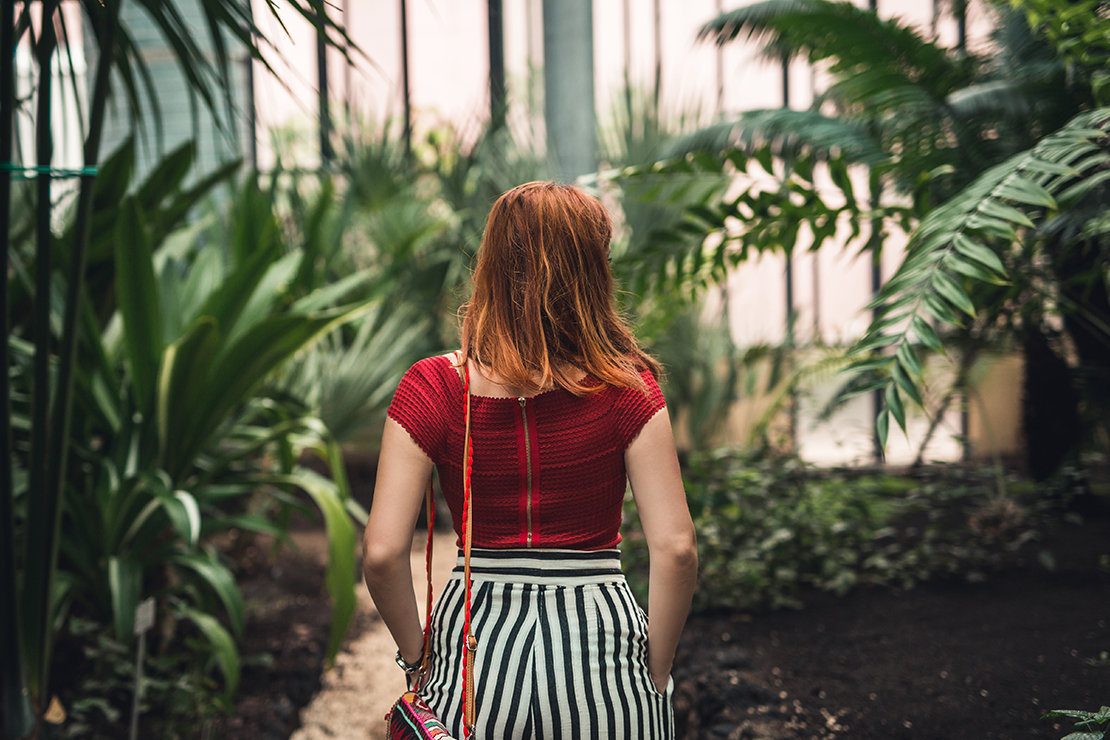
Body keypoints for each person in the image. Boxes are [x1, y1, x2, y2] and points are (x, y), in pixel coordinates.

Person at [362, 181, 697, 739]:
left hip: (476, 655)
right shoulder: (627, 387)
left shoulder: (434, 386)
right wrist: (656, 675)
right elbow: (677, 549)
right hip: (601, 650)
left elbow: (381, 552)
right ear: (592, 274)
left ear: (491, 266)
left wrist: (417, 660)